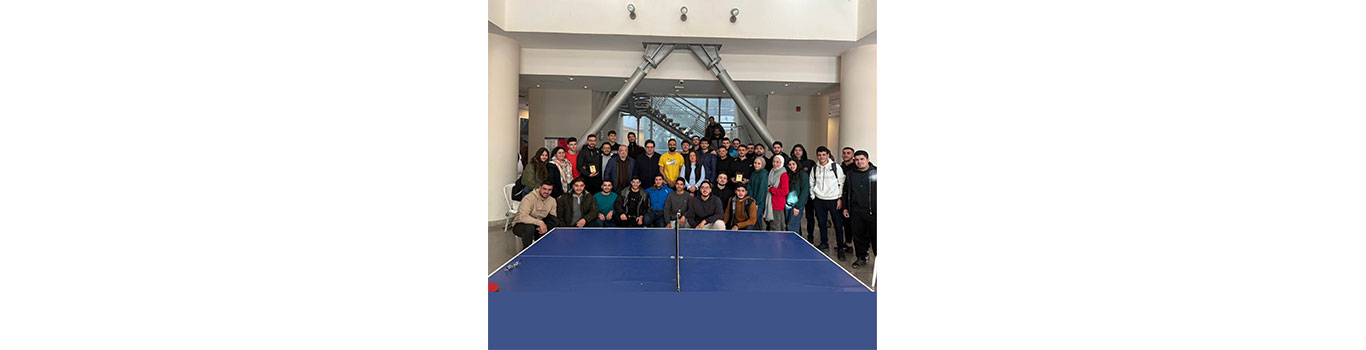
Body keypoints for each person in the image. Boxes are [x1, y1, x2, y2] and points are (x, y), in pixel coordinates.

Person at [809, 146, 847, 258]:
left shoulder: (836, 167)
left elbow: (842, 182)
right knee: (822, 224)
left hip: (834, 200)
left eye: (824, 155)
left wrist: (840, 198)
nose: (821, 157)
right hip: (819, 200)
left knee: (838, 225)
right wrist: (813, 196)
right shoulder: (814, 168)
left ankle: (840, 248)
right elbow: (811, 182)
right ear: (817, 156)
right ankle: (824, 243)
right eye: (819, 155)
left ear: (828, 155)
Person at [843, 150, 877, 269]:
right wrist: (846, 208)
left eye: (862, 159)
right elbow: (846, 192)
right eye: (857, 160)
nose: (859, 162)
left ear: (867, 160)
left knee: (876, 237)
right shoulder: (851, 174)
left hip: (874, 212)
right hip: (856, 211)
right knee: (858, 237)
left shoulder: (876, 172)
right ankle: (861, 258)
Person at [512, 181, 558, 249]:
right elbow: (523, 217)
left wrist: (545, 226)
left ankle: (546, 247)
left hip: (539, 224)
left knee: (555, 222)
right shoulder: (528, 198)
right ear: (540, 188)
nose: (546, 192)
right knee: (530, 228)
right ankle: (527, 251)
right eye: (544, 189)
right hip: (521, 224)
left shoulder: (552, 201)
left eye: (549, 190)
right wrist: (540, 223)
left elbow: (552, 217)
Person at [790, 144, 817, 239]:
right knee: (795, 217)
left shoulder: (810, 163)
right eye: (795, 150)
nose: (797, 152)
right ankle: (799, 235)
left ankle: (810, 237)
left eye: (800, 150)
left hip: (807, 194)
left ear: (803, 152)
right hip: (796, 195)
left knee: (809, 216)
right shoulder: (791, 163)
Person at [784, 158, 811, 239]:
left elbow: (804, 192)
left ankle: (792, 244)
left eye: (793, 164)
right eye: (789, 164)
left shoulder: (803, 175)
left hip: (796, 205)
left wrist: (798, 206)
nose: (791, 166)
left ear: (797, 164)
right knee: (790, 225)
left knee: (792, 227)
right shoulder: (789, 174)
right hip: (788, 204)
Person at [764, 155, 790, 231]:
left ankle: (775, 238)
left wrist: (771, 189)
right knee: (778, 224)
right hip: (771, 201)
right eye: (774, 162)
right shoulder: (772, 171)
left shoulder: (784, 175)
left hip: (777, 203)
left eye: (777, 162)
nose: (775, 164)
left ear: (782, 163)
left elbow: (785, 191)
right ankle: (781, 238)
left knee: (775, 225)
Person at [744, 156, 770, 230]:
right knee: (757, 221)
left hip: (759, 203)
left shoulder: (764, 174)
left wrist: (757, 203)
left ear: (762, 165)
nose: (756, 165)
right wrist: (751, 199)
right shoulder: (754, 173)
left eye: (759, 163)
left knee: (752, 222)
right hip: (752, 201)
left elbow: (762, 190)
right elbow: (749, 187)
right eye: (755, 163)